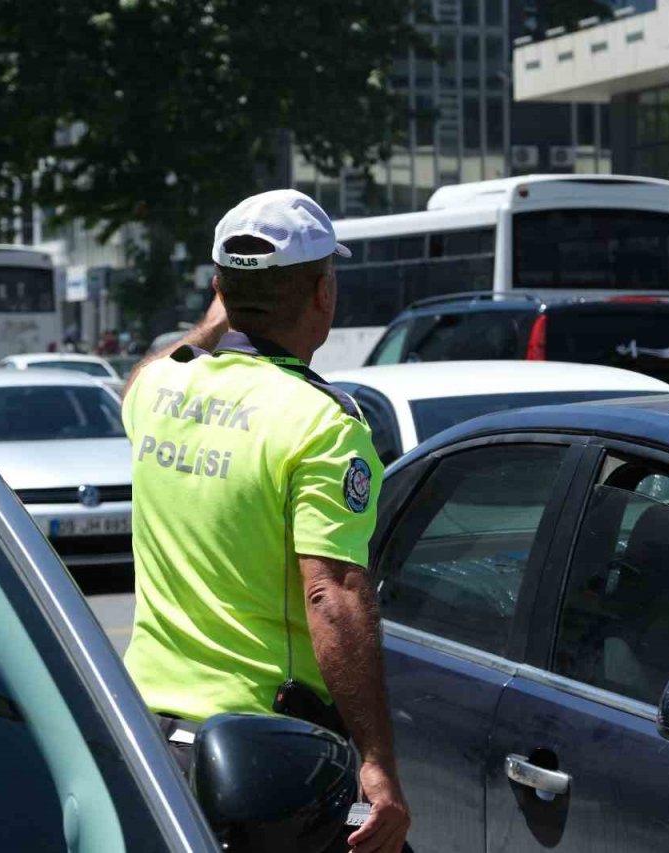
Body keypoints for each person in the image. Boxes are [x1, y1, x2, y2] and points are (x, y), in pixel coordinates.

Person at [120, 189, 410, 853]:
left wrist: (216, 316)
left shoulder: (165, 392)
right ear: (322, 295)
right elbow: (332, 596)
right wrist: (377, 762)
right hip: (264, 762)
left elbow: (141, 378)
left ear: (219, 286)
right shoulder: (321, 424)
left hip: (148, 736)